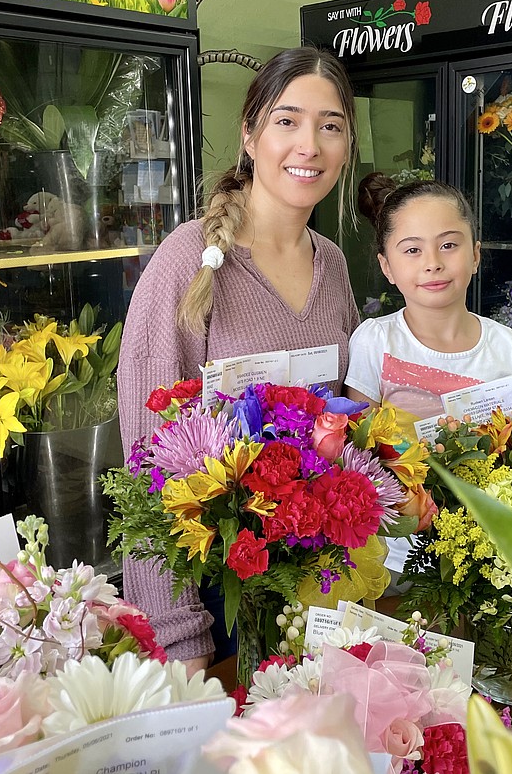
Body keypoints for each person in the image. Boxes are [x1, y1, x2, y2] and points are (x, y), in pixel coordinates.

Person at [116, 46, 361, 671]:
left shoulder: (332, 265)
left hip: (311, 593)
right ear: (249, 136)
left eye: (330, 126)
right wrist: (179, 639)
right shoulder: (185, 264)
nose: (309, 144)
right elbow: (145, 473)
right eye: (287, 120)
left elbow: (346, 424)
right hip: (216, 603)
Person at [345, 173, 512, 427]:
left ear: (475, 255)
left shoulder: (511, 349)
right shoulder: (374, 342)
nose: (433, 264)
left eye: (448, 245)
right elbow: (359, 452)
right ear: (387, 266)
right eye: (413, 250)